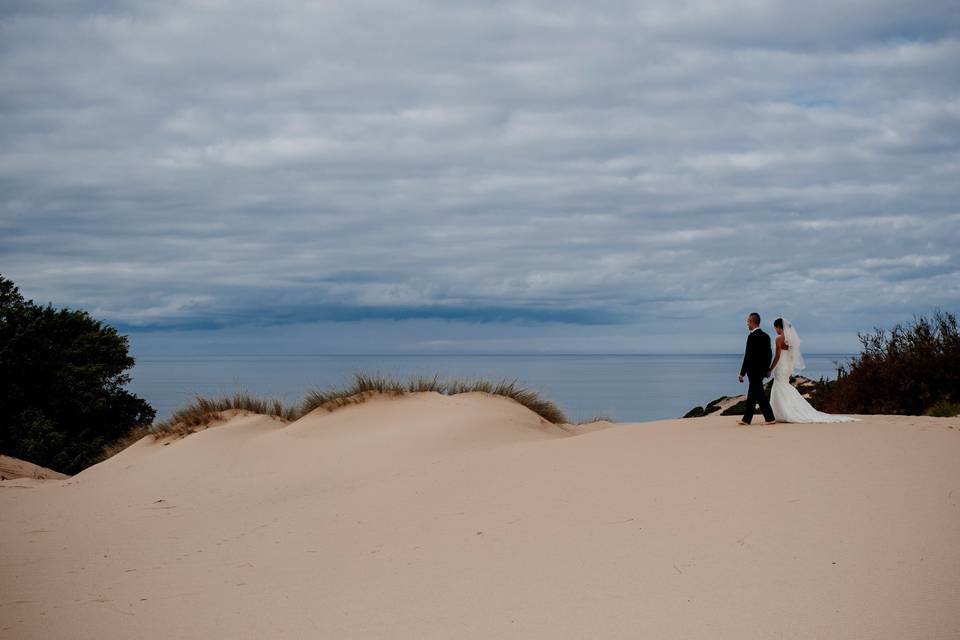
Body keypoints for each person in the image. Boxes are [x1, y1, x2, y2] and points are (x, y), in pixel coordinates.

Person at [768, 318, 858, 423]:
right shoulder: (790, 339)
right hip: (786, 366)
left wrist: (771, 368)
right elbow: (791, 356)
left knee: (780, 386)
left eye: (775, 328)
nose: (775, 330)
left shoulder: (778, 338)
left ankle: (785, 412)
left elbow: (778, 355)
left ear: (778, 327)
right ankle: (785, 411)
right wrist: (789, 367)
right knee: (783, 386)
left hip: (780, 365)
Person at [738, 312, 776, 425]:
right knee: (753, 394)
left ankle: (770, 418)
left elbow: (748, 356)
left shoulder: (751, 337)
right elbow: (769, 355)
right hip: (761, 371)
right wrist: (767, 369)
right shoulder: (766, 336)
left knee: (759, 395)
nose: (747, 324)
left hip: (753, 371)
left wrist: (742, 373)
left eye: (748, 321)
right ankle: (746, 420)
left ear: (752, 322)